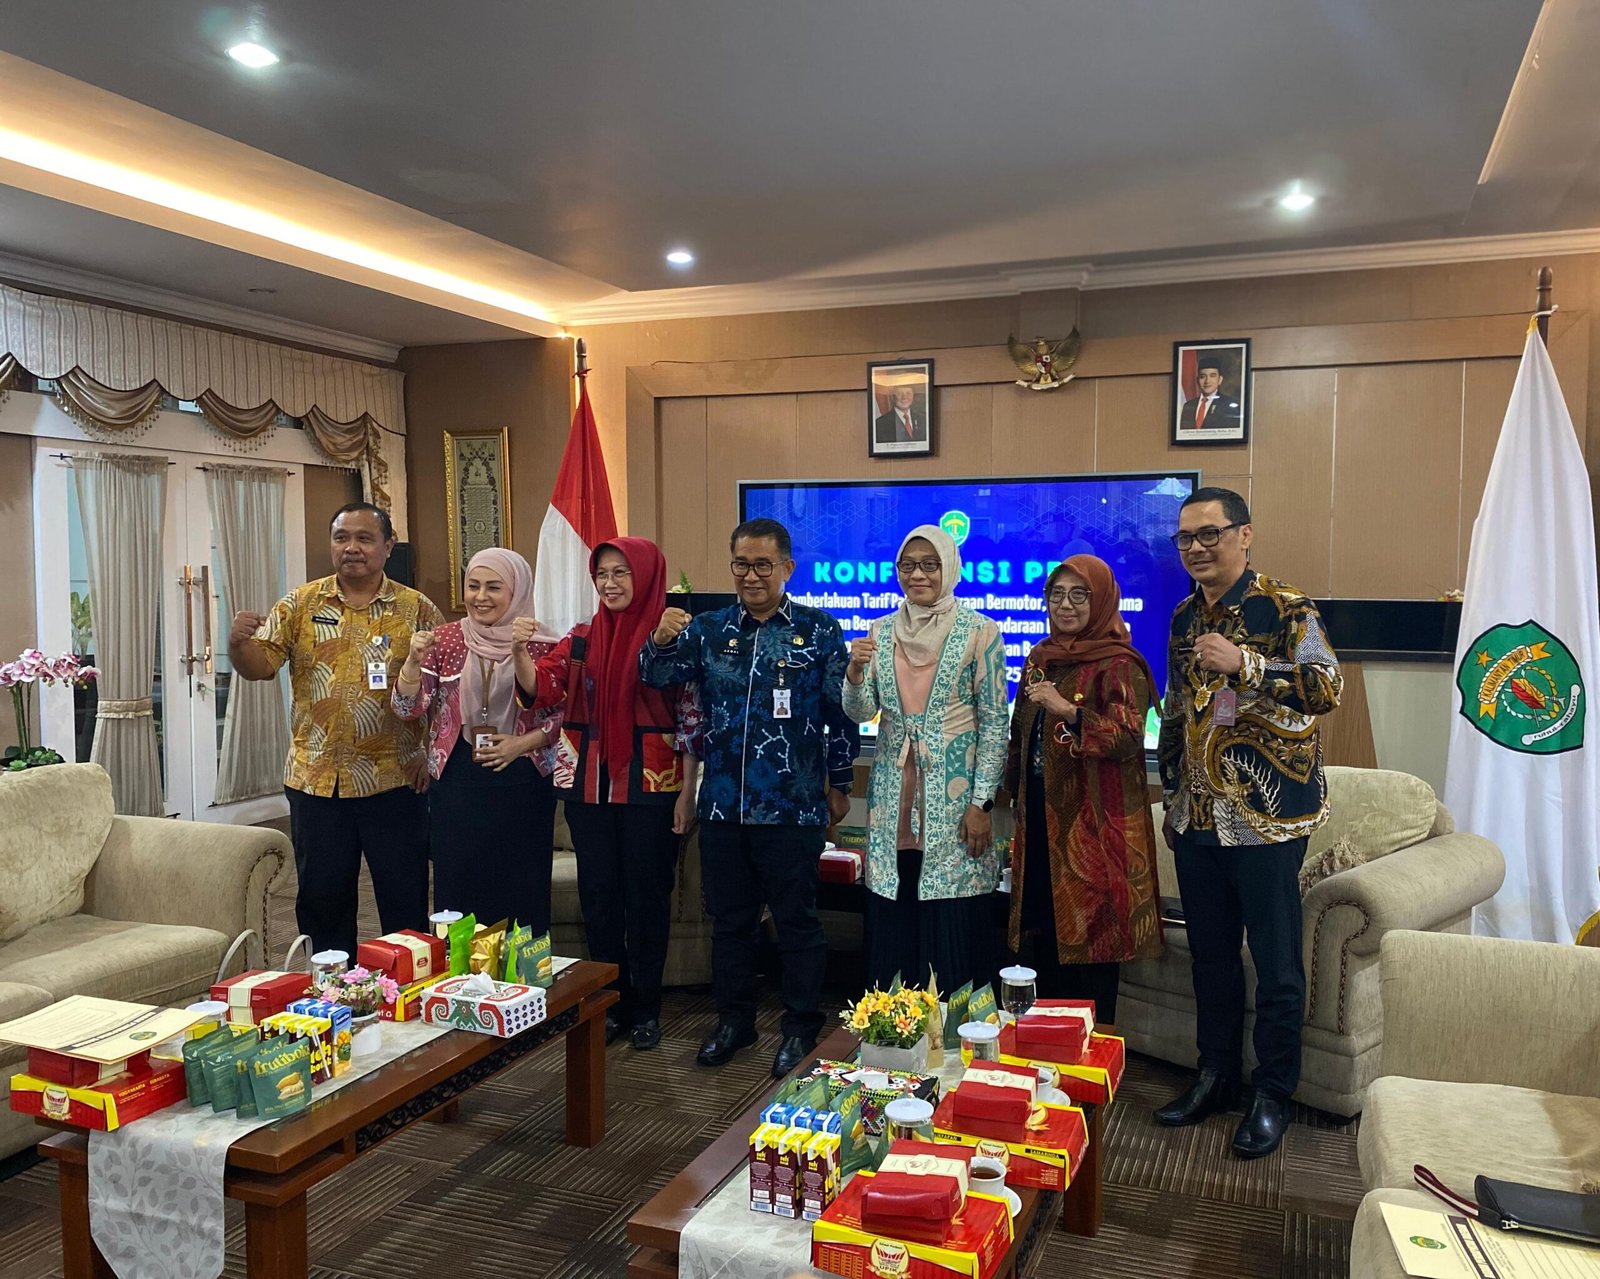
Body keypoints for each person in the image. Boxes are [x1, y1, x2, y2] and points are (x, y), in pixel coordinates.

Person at [1153, 487, 1342, 1159]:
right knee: (1210, 957)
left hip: (1266, 818)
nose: (1196, 548)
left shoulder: (1287, 606)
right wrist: (1173, 794)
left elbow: (1326, 687)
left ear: (1245, 534)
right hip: (1199, 816)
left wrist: (1248, 664)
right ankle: (1216, 1076)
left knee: (1275, 962)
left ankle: (1273, 1093)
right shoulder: (1183, 616)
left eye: (1210, 533)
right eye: (1185, 538)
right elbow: (1177, 707)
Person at [641, 517, 859, 1078]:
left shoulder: (819, 630)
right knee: (731, 923)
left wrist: (839, 785)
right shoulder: (710, 629)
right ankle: (734, 1022)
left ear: (787, 568)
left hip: (793, 806)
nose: (751, 575)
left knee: (797, 923)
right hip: (723, 805)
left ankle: (800, 1028)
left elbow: (842, 714)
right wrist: (659, 639)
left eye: (763, 565)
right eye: (741, 564)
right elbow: (657, 676)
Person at [229, 502, 442, 956]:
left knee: (404, 901)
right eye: (342, 538)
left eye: (364, 538)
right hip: (317, 780)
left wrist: (431, 754)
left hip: (395, 779)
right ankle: (332, 990)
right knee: (322, 902)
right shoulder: (300, 604)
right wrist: (236, 644)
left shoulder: (416, 609)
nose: (352, 548)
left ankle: (406, 989)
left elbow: (444, 687)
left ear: (388, 546)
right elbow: (259, 667)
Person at [523, 538, 702, 1051]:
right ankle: (610, 1003)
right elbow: (543, 689)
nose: (610, 583)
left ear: (645, 576)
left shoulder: (674, 638)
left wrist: (688, 792)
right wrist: (517, 652)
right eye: (602, 574)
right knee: (599, 900)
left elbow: (691, 721)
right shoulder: (581, 639)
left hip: (652, 788)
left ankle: (646, 1008)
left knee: (646, 901)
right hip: (588, 789)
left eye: (621, 572)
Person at [843, 524, 1007, 993]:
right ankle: (892, 1029)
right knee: (894, 922)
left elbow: (995, 724)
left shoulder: (980, 632)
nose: (918, 575)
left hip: (954, 805)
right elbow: (861, 712)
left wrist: (981, 804)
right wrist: (855, 671)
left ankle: (953, 1033)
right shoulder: (880, 631)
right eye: (908, 565)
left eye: (930, 565)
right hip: (892, 801)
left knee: (950, 925)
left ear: (949, 568)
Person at [1000, 555, 1164, 1023]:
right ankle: (1042, 1044)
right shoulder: (1040, 657)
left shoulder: (1120, 663)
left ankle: (1091, 1053)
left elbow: (1128, 738)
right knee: (1042, 937)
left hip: (1093, 831)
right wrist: (1007, 793)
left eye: (1079, 595)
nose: (1065, 605)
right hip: (1040, 820)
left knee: (1091, 945)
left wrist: (1069, 711)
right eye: (1056, 594)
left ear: (1102, 600)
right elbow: (1020, 731)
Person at [390, 547, 560, 935]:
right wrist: (412, 662)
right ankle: (460, 968)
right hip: (457, 782)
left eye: (493, 587)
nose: (480, 597)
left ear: (517, 590)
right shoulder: (444, 640)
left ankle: (522, 970)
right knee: (459, 887)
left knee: (522, 886)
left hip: (523, 778)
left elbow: (563, 717)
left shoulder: (542, 643)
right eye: (473, 586)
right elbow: (407, 708)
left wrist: (520, 744)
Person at [1178, 355, 1242, 433]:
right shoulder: (1188, 406)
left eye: (1212, 376)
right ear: (1197, 380)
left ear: (1220, 380)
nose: (1207, 381)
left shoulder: (1229, 405)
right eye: (1203, 376)